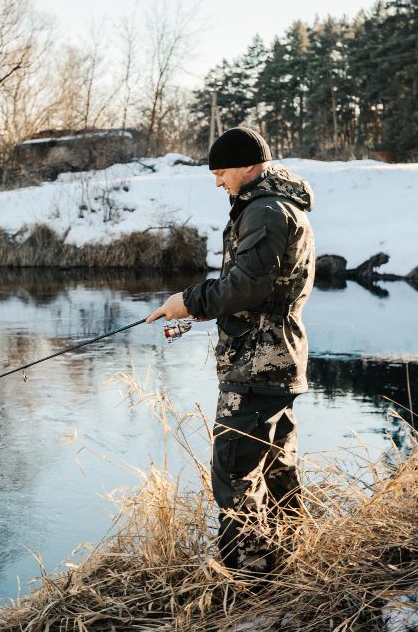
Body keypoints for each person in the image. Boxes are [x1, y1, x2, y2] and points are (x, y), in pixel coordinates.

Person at [146, 127, 315, 574]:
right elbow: (260, 290)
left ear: (247, 165)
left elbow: (248, 286)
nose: (218, 181)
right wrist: (204, 311)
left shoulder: (266, 210)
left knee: (234, 471)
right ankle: (285, 565)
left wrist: (190, 300)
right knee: (276, 468)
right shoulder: (269, 205)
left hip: (260, 366)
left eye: (221, 172)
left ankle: (248, 576)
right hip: (273, 361)